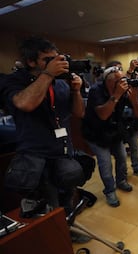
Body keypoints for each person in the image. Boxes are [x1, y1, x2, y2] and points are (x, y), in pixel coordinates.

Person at [1, 36, 86, 215]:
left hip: (63, 153)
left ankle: (69, 230)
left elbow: (79, 113)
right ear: (31, 62)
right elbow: (25, 103)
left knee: (68, 198)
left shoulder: (61, 83)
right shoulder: (14, 81)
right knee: (49, 208)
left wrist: (76, 91)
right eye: (48, 60)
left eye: (55, 58)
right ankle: (59, 238)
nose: (54, 64)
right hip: (37, 157)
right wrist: (47, 74)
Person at [82, 65, 138, 207]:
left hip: (114, 131)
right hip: (95, 133)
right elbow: (103, 115)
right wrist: (116, 95)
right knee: (105, 162)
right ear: (110, 82)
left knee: (122, 157)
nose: (125, 82)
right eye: (121, 80)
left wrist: (133, 97)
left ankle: (121, 181)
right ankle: (110, 190)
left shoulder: (123, 91)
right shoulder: (95, 91)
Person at [105, 60, 138, 178]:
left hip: (130, 121)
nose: (119, 72)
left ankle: (137, 168)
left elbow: (133, 84)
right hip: (115, 125)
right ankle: (121, 177)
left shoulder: (125, 83)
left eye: (120, 69)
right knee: (120, 154)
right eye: (116, 69)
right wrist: (129, 71)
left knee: (134, 146)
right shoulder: (106, 88)